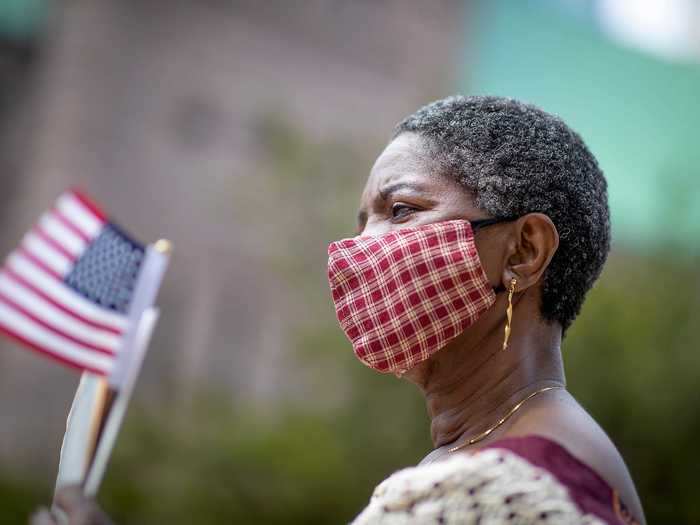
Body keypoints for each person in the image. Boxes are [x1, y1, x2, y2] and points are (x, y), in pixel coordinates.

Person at [31, 96, 645, 524]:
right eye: (361, 221)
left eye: (400, 210)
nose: (356, 251)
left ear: (523, 251)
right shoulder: (522, 453)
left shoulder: (500, 489)